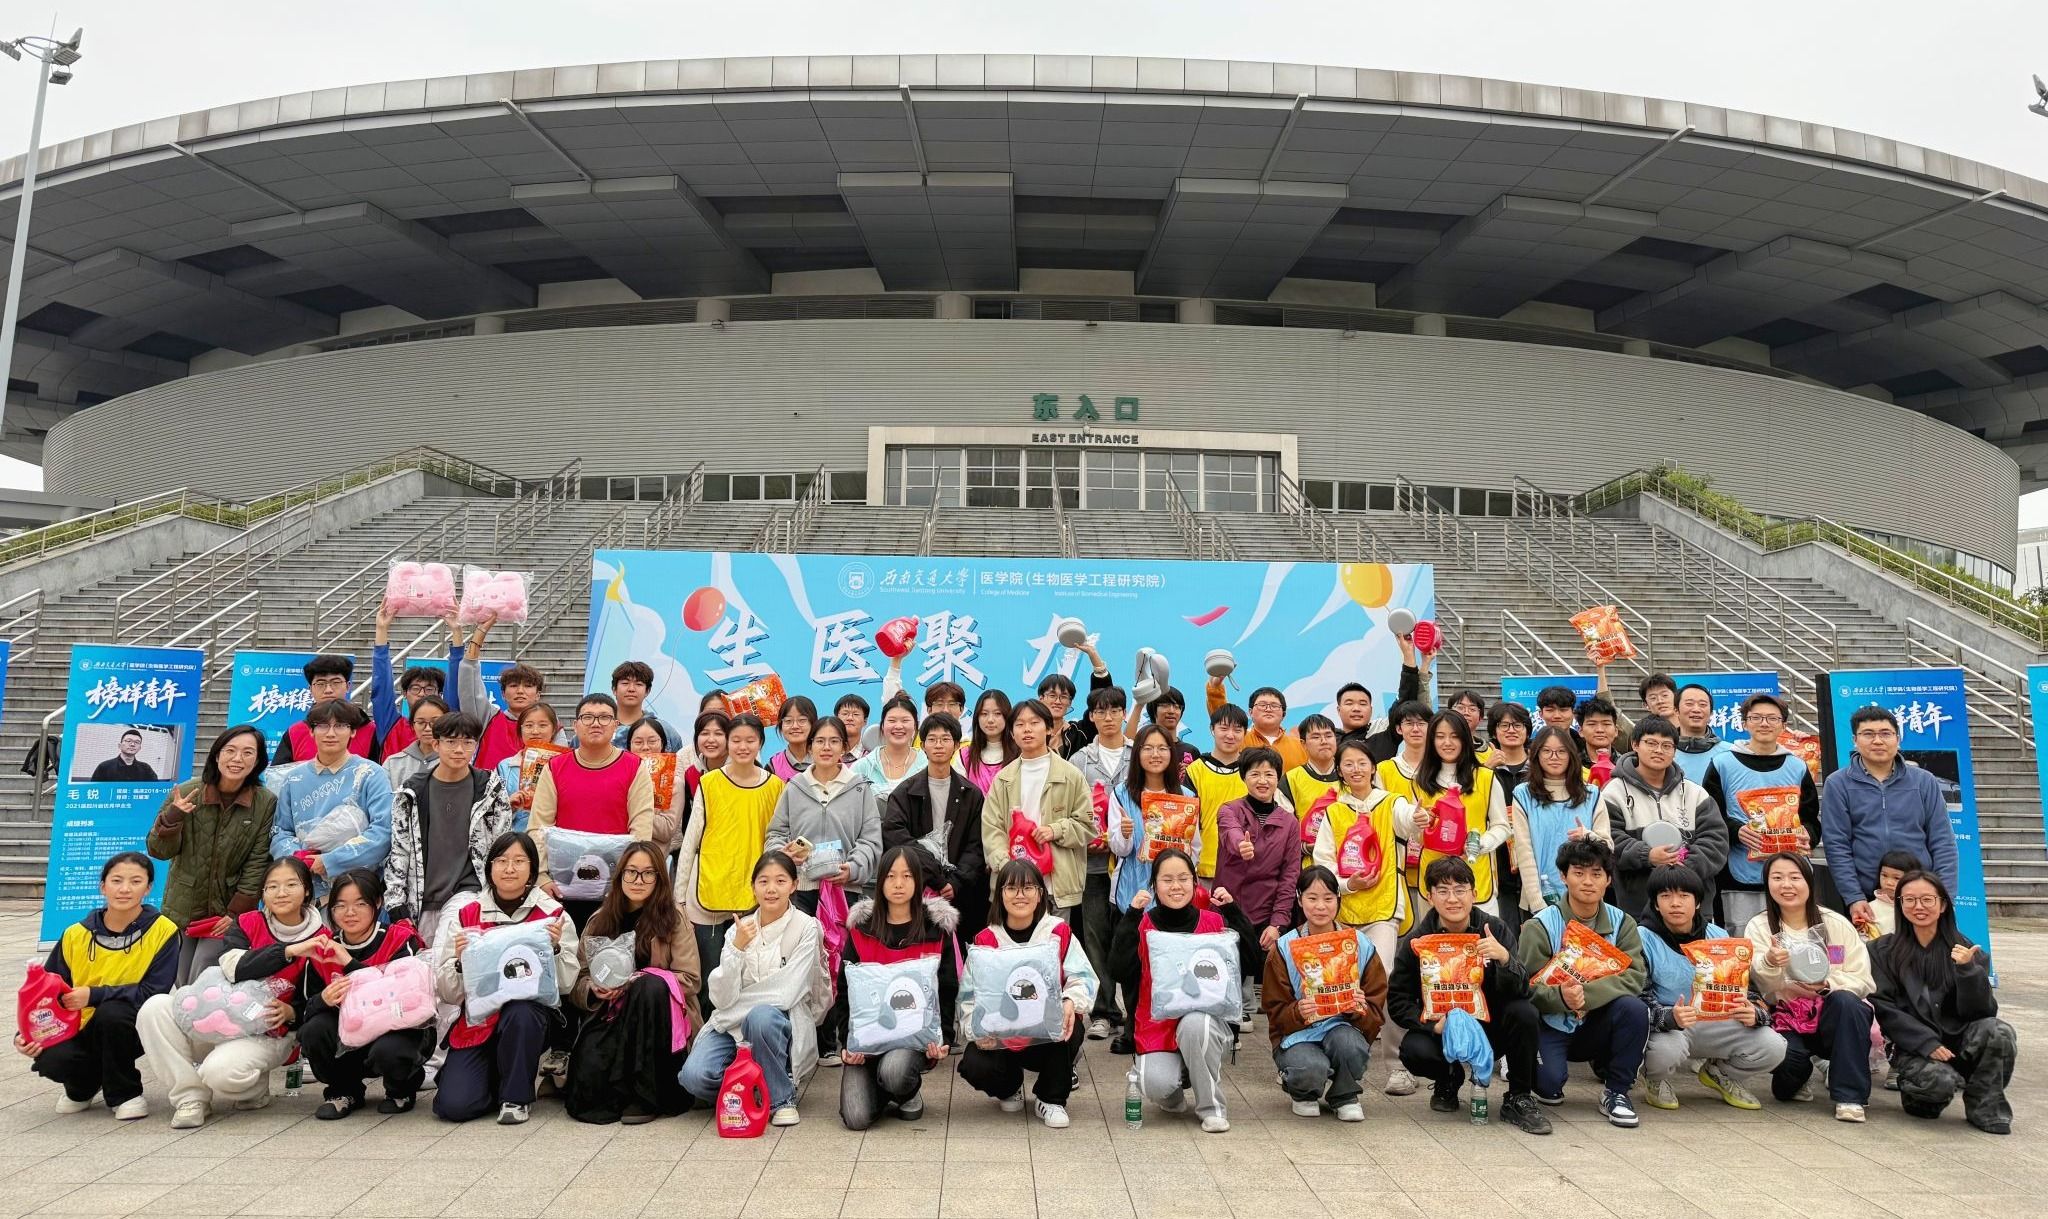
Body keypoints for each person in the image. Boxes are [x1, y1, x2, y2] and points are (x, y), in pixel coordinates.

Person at [138, 856, 324, 1127]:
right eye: (272, 886)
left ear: (307, 890)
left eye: (291, 885)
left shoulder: (322, 937)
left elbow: (321, 996)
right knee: (155, 1008)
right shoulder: (248, 922)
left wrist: (292, 1011)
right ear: (263, 893)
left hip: (268, 1033)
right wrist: (288, 951)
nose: (281, 893)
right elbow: (233, 966)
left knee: (219, 1073)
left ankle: (252, 1087)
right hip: (216, 1017)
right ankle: (190, 1097)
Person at [1388, 856, 1551, 1135]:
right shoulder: (1417, 940)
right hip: (1443, 1028)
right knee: (1414, 1049)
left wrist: (1504, 959)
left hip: (1490, 1027)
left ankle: (1519, 1096)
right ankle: (1449, 1079)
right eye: (1442, 891)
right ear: (1429, 896)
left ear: (1474, 894)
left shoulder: (1494, 930)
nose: (1452, 899)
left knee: (1525, 1012)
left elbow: (1524, 988)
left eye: (1460, 890)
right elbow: (1397, 999)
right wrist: (1433, 1025)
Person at [16, 853, 178, 1119]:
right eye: (116, 880)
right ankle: (82, 1087)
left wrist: (94, 995)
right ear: (103, 886)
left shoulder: (164, 930)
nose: (125, 889)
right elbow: (45, 990)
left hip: (130, 1024)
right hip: (75, 1025)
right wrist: (26, 1034)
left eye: (136, 881)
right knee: (51, 1059)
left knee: (111, 1012)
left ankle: (125, 1093)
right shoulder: (75, 934)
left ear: (148, 888)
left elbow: (153, 991)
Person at [431, 832, 579, 1124]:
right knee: (454, 1107)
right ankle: (492, 1078)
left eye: (519, 861)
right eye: (501, 861)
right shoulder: (467, 914)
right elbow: (447, 991)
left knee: (521, 1012)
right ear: (489, 868)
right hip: (479, 1021)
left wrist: (554, 949)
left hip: (530, 1018)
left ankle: (516, 1098)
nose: (509, 868)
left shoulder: (552, 915)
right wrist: (460, 963)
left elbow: (566, 985)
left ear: (532, 869)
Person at [678, 850, 824, 1128]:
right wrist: (736, 949)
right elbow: (721, 998)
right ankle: (750, 1088)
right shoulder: (738, 930)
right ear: (753, 886)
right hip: (732, 1024)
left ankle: (781, 1099)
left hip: (779, 1023)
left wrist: (737, 1007)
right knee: (694, 1077)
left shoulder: (806, 928)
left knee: (761, 1016)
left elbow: (787, 992)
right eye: (763, 881)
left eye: (780, 881)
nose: (771, 889)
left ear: (794, 885)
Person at [1112, 848, 1252, 1133]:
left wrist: (1233, 911)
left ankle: (1211, 1108)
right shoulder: (1144, 923)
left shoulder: (1214, 922)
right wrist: (1130, 917)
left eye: (1183, 878)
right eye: (1167, 880)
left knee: (1195, 1024)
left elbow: (1251, 962)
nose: (1176, 886)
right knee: (1154, 1084)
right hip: (1157, 1022)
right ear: (1154, 885)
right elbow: (1118, 970)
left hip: (1205, 1019)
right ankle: (1174, 1092)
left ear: (1195, 881)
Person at [1514, 836, 1649, 1128]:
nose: (1588, 881)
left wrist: (1585, 995)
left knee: (1635, 1009)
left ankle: (1617, 1091)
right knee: (1549, 1087)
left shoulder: (1623, 923)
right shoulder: (1541, 925)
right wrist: (1560, 997)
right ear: (1563, 877)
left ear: (1608, 880)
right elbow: (1524, 987)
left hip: (1597, 1022)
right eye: (1578, 872)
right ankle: (1541, 1069)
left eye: (1597, 874)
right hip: (1552, 1023)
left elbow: (1634, 977)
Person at [565, 841, 701, 1124]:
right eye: (631, 872)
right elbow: (577, 979)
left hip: (658, 1017)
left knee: (647, 986)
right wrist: (594, 990)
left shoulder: (673, 918)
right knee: (585, 1097)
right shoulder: (600, 919)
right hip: (611, 1014)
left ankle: (647, 1095)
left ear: (659, 878)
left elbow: (690, 979)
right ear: (620, 875)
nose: (638, 880)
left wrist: (636, 981)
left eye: (648, 873)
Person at [1871, 870, 2016, 1134]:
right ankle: (1920, 1093)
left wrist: (1968, 971)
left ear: (1943, 905)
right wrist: (1925, 1042)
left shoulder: (1965, 949)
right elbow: (1883, 1006)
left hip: (1960, 1041)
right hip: (1915, 1047)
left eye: (1927, 899)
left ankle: (1986, 1106)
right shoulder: (1882, 950)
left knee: (1999, 1031)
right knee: (1937, 1086)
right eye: (1909, 899)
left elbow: (1983, 1012)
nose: (1919, 906)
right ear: (1900, 904)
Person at [959, 859, 1098, 1128]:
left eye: (1028, 888)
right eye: (1011, 888)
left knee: (1067, 1024)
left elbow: (1083, 977)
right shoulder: (986, 940)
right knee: (975, 1064)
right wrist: (976, 1030)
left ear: (1040, 894)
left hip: (1047, 1038)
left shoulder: (1057, 932)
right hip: (1002, 1038)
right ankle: (1009, 1087)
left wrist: (1070, 1001)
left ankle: (1050, 1098)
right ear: (1000, 894)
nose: (1020, 895)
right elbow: (968, 997)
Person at [1635, 865, 1786, 1112]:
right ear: (1655, 904)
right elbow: (1638, 997)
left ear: (1697, 902)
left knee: (1773, 1046)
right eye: (1666, 896)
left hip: (1715, 1021)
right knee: (1664, 1052)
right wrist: (1669, 1017)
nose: (1675, 903)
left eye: (1684, 895)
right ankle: (1655, 1080)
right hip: (1668, 1026)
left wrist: (1754, 1012)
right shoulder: (1641, 937)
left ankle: (1720, 1073)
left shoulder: (1718, 935)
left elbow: (1747, 990)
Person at [1312, 736, 1415, 1086]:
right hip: (1343, 911)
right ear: (1339, 771)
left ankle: (1396, 1066)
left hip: (1383, 909)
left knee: (1382, 978)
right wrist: (1347, 884)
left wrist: (1420, 817)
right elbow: (1322, 861)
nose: (1356, 769)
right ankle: (1332, 1057)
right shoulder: (1334, 811)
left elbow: (1408, 822)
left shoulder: (1391, 801)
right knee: (1336, 983)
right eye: (1348, 764)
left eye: (1362, 763)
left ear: (1373, 767)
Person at [1745, 851, 1875, 1122]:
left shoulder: (1835, 923)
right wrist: (1770, 962)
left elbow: (1863, 979)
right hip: (1786, 1017)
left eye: (1795, 877)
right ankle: (1798, 1076)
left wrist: (1828, 984)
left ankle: (1850, 1097)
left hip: (1831, 1014)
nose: (1787, 885)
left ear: (1809, 881)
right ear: (1767, 883)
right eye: (1777, 878)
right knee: (1787, 1083)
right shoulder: (1759, 926)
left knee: (1848, 1003)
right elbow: (1764, 986)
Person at [838, 848, 958, 1129]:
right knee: (855, 1118)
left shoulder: (936, 930)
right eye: (891, 876)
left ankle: (905, 1089)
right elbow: (844, 991)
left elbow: (947, 988)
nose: (899, 884)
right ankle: (887, 1090)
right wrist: (847, 1043)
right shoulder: (861, 929)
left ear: (918, 881)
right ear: (880, 881)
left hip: (912, 1043)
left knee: (894, 1070)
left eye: (907, 876)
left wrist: (944, 1037)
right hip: (867, 1044)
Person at [298, 869, 431, 1119]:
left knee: (390, 1051)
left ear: (377, 903)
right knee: (314, 1029)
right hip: (350, 1034)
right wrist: (323, 999)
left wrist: (349, 964)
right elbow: (305, 1008)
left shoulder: (399, 938)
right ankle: (343, 1090)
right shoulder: (322, 947)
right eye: (340, 905)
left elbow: (406, 997)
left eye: (360, 904)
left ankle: (401, 1089)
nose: (350, 912)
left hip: (398, 1028)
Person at [148, 724, 277, 983]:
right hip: (183, 905)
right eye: (230, 750)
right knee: (181, 979)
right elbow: (158, 851)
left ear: (258, 761)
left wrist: (236, 913)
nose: (237, 759)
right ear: (217, 755)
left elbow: (257, 860)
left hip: (226, 910)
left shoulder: (265, 802)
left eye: (248, 752)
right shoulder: (188, 792)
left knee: (205, 976)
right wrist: (173, 818)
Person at [1263, 866, 1387, 1122]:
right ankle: (1302, 1091)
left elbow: (1376, 1001)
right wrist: (1297, 1011)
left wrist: (1359, 1009)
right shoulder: (1284, 948)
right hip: (1298, 1034)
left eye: (1328, 898)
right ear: (1299, 900)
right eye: (1312, 898)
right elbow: (1273, 1009)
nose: (1320, 906)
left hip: (1342, 1027)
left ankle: (1345, 1095)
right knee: (1310, 1067)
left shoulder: (1359, 944)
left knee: (1349, 1044)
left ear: (1338, 899)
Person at [1821, 705, 1959, 932]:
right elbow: (1837, 845)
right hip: (1868, 897)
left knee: (1926, 953)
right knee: (1872, 953)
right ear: (1855, 740)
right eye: (1868, 734)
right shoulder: (1838, 783)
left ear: (1898, 738)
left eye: (1885, 733)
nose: (1877, 741)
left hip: (1921, 894)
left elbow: (1942, 840)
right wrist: (1854, 897)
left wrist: (1944, 895)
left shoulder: (1924, 781)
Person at [677, 714, 784, 1000]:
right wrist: (679, 898)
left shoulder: (775, 786)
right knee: (710, 976)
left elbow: (775, 840)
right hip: (707, 891)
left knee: (750, 977)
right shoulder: (709, 782)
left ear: (760, 743)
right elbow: (690, 842)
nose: (743, 746)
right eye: (736, 740)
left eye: (750, 740)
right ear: (727, 743)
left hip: (754, 895)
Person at [385, 710, 515, 944]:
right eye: (451, 742)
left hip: (470, 892)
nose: (459, 749)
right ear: (436, 744)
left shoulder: (490, 789)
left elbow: (501, 844)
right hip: (421, 898)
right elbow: (399, 849)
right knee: (425, 963)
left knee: (451, 954)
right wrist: (396, 902)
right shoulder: (412, 792)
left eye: (468, 742)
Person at [1108, 723, 1197, 1055]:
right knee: (1133, 966)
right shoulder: (1121, 794)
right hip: (1133, 893)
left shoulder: (1185, 796)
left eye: (1162, 748)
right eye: (1147, 748)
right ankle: (1133, 1028)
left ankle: (1169, 1029)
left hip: (1172, 895)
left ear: (1171, 754)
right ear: (1137, 755)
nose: (1155, 754)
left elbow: (1195, 848)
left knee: (1169, 965)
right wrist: (1125, 833)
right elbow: (1118, 848)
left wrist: (1181, 858)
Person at [529, 693, 656, 923]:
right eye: (587, 717)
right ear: (575, 725)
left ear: (615, 725)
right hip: (561, 887)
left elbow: (641, 829)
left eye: (604, 717)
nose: (596, 723)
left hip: (617, 888)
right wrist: (542, 876)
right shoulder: (555, 767)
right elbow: (539, 826)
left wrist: (628, 879)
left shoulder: (634, 767)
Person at [1706, 693, 1823, 930]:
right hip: (1739, 877)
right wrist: (1737, 831)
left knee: (1795, 937)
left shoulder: (1797, 765)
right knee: (1743, 939)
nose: (1764, 723)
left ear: (1783, 725)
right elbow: (1710, 816)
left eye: (1772, 718)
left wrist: (1808, 835)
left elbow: (1810, 818)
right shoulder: (1723, 763)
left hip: (1791, 877)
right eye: (1756, 717)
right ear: (1744, 723)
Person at [1594, 716, 1728, 916]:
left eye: (1667, 745)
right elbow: (1608, 839)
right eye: (1651, 743)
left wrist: (1682, 866)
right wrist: (1646, 855)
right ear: (1635, 744)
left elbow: (1716, 842)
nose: (1659, 750)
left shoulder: (1695, 793)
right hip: (1637, 908)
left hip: (1693, 909)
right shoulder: (1614, 792)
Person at [1381, 712, 1509, 916]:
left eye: (1454, 736)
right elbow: (1415, 834)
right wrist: (1417, 823)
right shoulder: (1419, 781)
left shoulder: (1485, 777)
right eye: (1440, 736)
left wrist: (1480, 844)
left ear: (1465, 739)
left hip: (1476, 877)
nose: (1447, 743)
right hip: (1432, 879)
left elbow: (1502, 826)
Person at [882, 713, 990, 946]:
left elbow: (976, 845)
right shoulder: (904, 793)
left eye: (945, 739)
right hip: (916, 890)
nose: (938, 745)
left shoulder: (971, 794)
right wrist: (936, 879)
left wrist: (955, 882)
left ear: (957, 745)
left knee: (961, 954)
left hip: (962, 894)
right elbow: (896, 837)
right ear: (922, 746)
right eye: (932, 739)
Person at [984, 699, 1094, 923]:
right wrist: (1007, 868)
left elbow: (1087, 826)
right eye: (1020, 724)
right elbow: (992, 829)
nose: (1027, 729)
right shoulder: (1003, 779)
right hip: (1013, 889)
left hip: (1056, 887)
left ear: (1049, 728)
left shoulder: (1071, 775)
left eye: (1034, 723)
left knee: (1055, 942)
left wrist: (1056, 830)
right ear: (1011, 733)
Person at [270, 699, 395, 895]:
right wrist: (300, 859)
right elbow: (280, 831)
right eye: (322, 726)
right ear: (311, 731)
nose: (330, 733)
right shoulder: (294, 779)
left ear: (353, 731)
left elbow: (383, 831)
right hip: (303, 887)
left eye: (340, 726)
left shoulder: (371, 773)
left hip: (356, 889)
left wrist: (330, 861)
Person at [1214, 748, 1300, 1023]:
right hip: (1228, 908)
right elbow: (1230, 831)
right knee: (1223, 971)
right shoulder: (1230, 810)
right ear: (1244, 777)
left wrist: (1277, 923)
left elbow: (1289, 876)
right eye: (1255, 774)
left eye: (1269, 774)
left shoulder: (1290, 823)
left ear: (1278, 778)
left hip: (1264, 911)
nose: (1262, 780)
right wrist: (1241, 844)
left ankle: (1249, 1011)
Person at [1070, 687, 1133, 1039]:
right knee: (1095, 938)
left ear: (1124, 713)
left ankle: (1136, 1011)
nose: (1108, 718)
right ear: (1091, 716)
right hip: (1092, 864)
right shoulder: (1080, 760)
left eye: (1114, 710)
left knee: (1129, 937)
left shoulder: (1138, 754)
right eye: (1100, 711)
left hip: (1132, 866)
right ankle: (1104, 1011)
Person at [766, 715, 883, 902]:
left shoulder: (859, 788)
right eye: (820, 741)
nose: (826, 747)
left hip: (844, 890)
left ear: (844, 747)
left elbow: (871, 839)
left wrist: (853, 868)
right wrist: (783, 855)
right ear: (810, 747)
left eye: (834, 741)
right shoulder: (795, 787)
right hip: (799, 890)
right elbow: (776, 834)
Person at [1507, 727, 1598, 913]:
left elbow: (1608, 845)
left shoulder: (1591, 794)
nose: (1554, 757)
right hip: (1540, 898)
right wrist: (1537, 904)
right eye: (1547, 751)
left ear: (1571, 755)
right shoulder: (1523, 795)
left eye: (1561, 751)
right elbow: (1524, 852)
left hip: (1586, 898)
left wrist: (1589, 836)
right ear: (1536, 755)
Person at [459, 613, 551, 770]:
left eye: (528, 686)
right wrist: (479, 634)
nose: (520, 691)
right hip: (488, 785)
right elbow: (469, 684)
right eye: (513, 686)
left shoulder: (551, 724)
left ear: (538, 694)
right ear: (503, 694)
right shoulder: (489, 717)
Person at [370, 607, 463, 760]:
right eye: (415, 688)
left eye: (429, 689)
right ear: (404, 694)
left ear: (440, 694)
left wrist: (457, 631)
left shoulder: (447, 724)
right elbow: (381, 688)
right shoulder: (391, 724)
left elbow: (456, 684)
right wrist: (381, 629)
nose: (422, 694)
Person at [273, 655, 378, 763]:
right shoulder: (295, 733)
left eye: (336, 683)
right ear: (310, 689)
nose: (328, 690)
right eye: (320, 684)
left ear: (348, 686)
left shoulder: (370, 731)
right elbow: (279, 772)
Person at [1186, 703, 1249, 880]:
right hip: (1203, 867)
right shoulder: (1195, 770)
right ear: (1212, 729)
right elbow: (1187, 822)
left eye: (1237, 730)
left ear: (1245, 733)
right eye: (1224, 728)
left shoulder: (1252, 771)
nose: (1230, 735)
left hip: (1246, 869)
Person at [1486, 701, 1534, 915]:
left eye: (1517, 725)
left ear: (1527, 730)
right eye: (1504, 725)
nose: (1511, 730)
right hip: (1498, 858)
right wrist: (1486, 769)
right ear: (1494, 731)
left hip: (1533, 855)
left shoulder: (1539, 769)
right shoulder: (1483, 770)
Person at [492, 702, 563, 828]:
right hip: (516, 837)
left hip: (552, 837)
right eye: (529, 725)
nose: (535, 731)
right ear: (521, 730)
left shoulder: (564, 764)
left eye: (543, 725)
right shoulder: (505, 767)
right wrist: (509, 804)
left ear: (553, 730)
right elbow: (491, 813)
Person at [1040, 641, 1113, 757]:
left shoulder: (1080, 732)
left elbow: (1102, 699)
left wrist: (1093, 655)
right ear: (1041, 699)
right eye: (1052, 696)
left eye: (1064, 697)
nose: (1058, 701)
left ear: (1070, 702)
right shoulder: (1030, 732)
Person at [626, 717, 683, 855]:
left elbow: (667, 829)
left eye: (652, 741)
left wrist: (635, 809)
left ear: (662, 744)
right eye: (638, 742)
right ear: (629, 746)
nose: (645, 747)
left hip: (653, 857)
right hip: (619, 853)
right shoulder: (620, 777)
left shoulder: (673, 782)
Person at [853, 694, 923, 802]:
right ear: (882, 726)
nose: (898, 726)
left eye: (905, 720)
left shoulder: (927, 765)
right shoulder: (863, 767)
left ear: (915, 725)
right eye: (892, 720)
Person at [1227, 685, 1309, 771]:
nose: (1268, 709)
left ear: (1283, 714)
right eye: (1262, 705)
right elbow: (1223, 718)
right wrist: (1217, 688)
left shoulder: (1301, 746)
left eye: (1274, 705)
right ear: (1250, 712)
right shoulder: (1239, 739)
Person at [1285, 714, 1341, 832]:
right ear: (1303, 744)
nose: (1324, 741)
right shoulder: (1290, 779)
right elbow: (1284, 826)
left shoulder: (1350, 775)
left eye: (1328, 736)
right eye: (1316, 737)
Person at [380, 695, 449, 792]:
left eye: (435, 722)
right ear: (412, 726)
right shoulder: (393, 763)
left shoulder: (456, 761)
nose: (428, 728)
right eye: (421, 722)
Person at [607, 661, 681, 751]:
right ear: (614, 689)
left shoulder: (665, 730)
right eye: (625, 683)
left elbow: (679, 758)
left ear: (647, 691)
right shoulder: (601, 726)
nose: (631, 689)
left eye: (639, 684)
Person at [1672, 683, 1732, 784]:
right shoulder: (1664, 751)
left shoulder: (1729, 752)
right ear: (1676, 710)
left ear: (1711, 713)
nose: (1696, 709)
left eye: (1703, 705)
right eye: (1689, 704)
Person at [959, 690, 1016, 794]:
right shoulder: (965, 755)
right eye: (984, 714)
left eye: (997, 714)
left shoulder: (1021, 754)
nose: (990, 720)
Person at [1866, 850, 1923, 940]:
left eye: (1896, 878)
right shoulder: (1869, 909)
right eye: (1884, 875)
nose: (1889, 882)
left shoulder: (1920, 908)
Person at [1143, 686, 1202, 768]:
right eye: (1165, 705)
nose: (1171, 711)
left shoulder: (1191, 751)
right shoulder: (1143, 748)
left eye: (1177, 707)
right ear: (1153, 710)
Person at [768, 695, 818, 781]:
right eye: (788, 721)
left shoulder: (828, 759)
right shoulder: (773, 766)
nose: (795, 726)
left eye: (802, 720)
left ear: (813, 723)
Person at [91, 729, 159, 782]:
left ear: (140, 748)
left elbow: (155, 788)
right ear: (119, 745)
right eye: (128, 741)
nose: (132, 744)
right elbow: (94, 790)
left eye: (137, 742)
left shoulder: (146, 769)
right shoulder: (104, 767)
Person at [1576, 695, 1622, 769]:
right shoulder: (1571, 765)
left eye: (1606, 724)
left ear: (1616, 731)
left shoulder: (1626, 766)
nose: (1599, 730)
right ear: (1581, 731)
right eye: (1592, 724)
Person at [834, 694, 871, 760]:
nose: (850, 718)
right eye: (845, 714)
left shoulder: (872, 755)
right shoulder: (827, 751)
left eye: (856, 714)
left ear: (865, 721)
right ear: (836, 719)